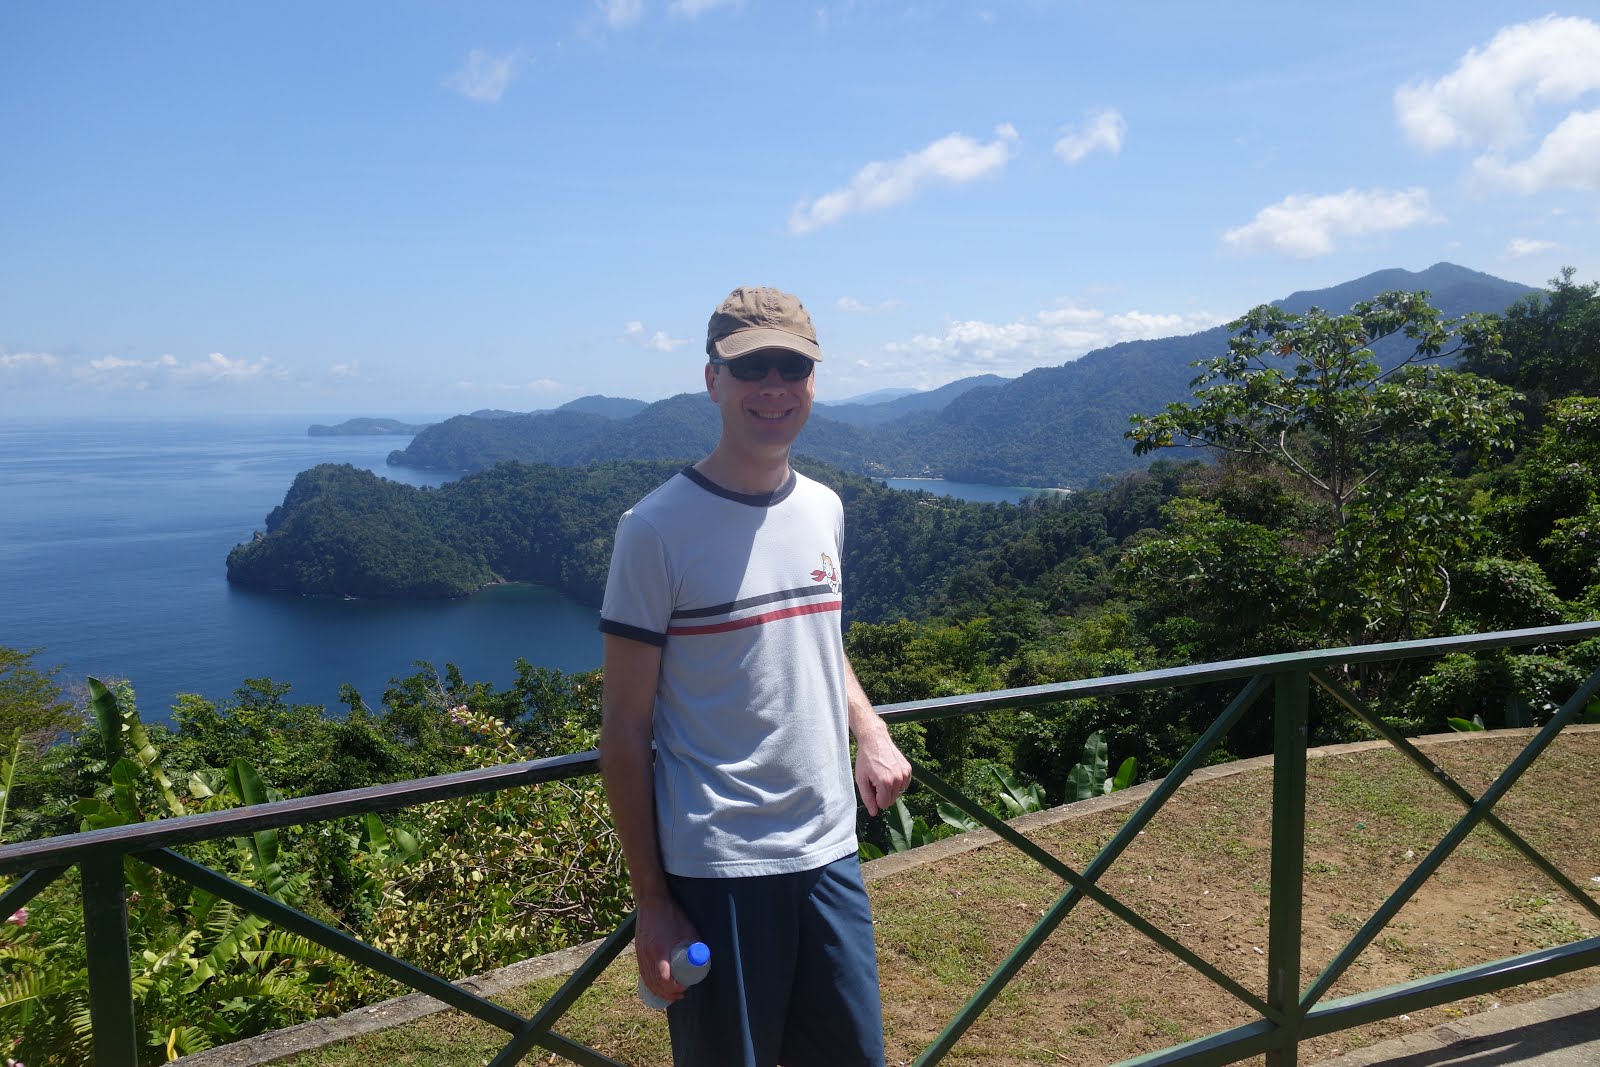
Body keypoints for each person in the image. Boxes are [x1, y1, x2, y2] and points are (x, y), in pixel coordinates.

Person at [599, 285, 912, 1067]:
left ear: (813, 379)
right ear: (713, 380)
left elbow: (819, 642)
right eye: (751, 368)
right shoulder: (654, 530)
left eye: (792, 366)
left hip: (830, 850)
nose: (773, 387)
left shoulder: (825, 508)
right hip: (720, 869)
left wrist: (868, 728)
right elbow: (625, 727)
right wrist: (654, 905)